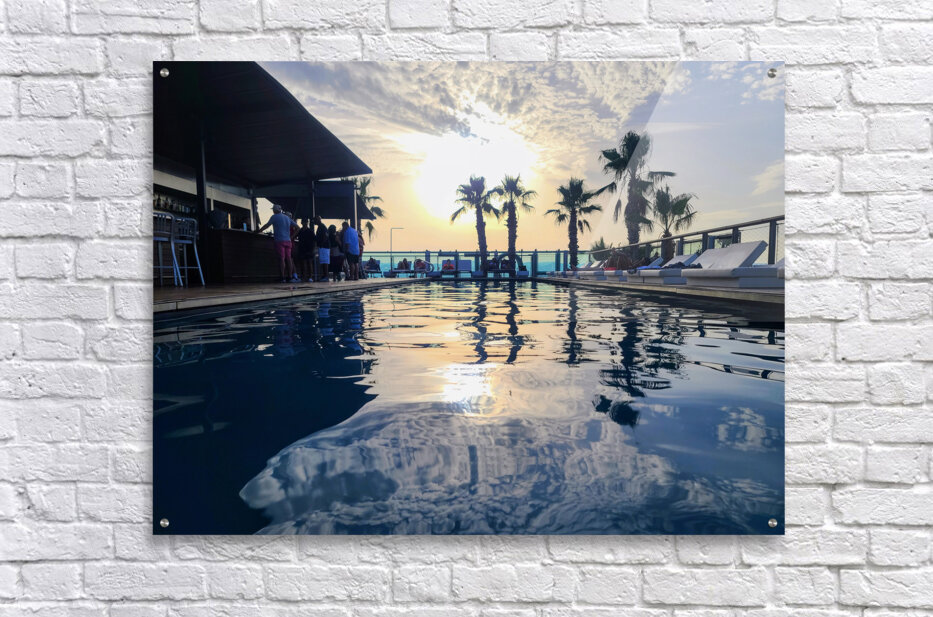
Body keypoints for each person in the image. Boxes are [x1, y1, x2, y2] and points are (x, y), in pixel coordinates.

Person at [256, 204, 298, 283]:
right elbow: (298, 227)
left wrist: (258, 231)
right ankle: (290, 277)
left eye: (273, 209)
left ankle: (282, 277)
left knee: (281, 259)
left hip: (279, 240)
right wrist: (292, 237)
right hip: (288, 241)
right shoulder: (287, 218)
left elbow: (267, 225)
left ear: (274, 210)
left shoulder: (274, 217)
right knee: (288, 259)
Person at [314, 215, 329, 282]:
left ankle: (326, 276)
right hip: (322, 246)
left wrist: (322, 244)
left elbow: (326, 235)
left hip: (324, 247)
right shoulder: (320, 227)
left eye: (315, 220)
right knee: (323, 261)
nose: (314, 221)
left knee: (325, 261)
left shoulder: (322, 226)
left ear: (318, 220)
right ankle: (324, 275)